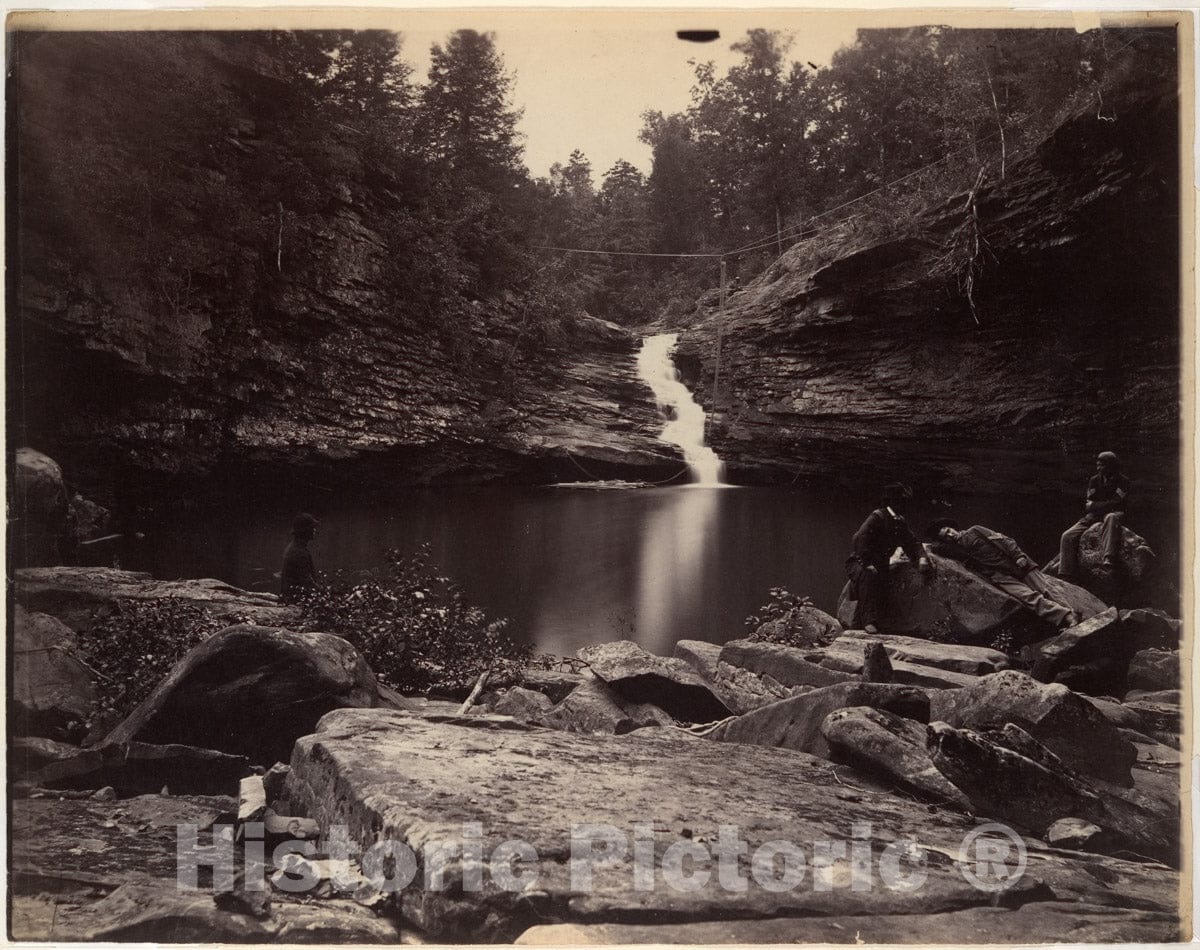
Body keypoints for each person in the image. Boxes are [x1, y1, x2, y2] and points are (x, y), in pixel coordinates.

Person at [929, 519, 1079, 628]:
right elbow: (935, 548)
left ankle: (1073, 615)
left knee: (1045, 590)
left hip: (1017, 564)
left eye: (949, 530)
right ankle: (1065, 617)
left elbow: (1005, 540)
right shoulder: (955, 549)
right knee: (1028, 597)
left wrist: (1018, 555)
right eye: (945, 536)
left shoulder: (975, 530)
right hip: (1000, 576)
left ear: (953, 527)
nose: (950, 535)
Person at [846, 483, 932, 634]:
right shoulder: (878, 516)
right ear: (894, 502)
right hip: (859, 562)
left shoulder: (899, 521)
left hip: (881, 564)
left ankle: (856, 626)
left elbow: (912, 543)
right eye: (902, 501)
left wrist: (921, 558)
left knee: (884, 586)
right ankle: (868, 621)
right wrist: (867, 563)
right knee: (869, 575)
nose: (905, 505)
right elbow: (858, 539)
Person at [1057, 451, 1130, 578]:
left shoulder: (1123, 481)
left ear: (1111, 466)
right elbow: (1088, 505)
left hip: (1114, 514)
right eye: (1098, 465)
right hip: (1094, 516)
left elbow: (1117, 502)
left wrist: (1096, 505)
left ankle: (1108, 558)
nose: (1098, 468)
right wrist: (1104, 505)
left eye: (1101, 465)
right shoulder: (1094, 480)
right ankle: (1065, 572)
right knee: (1067, 535)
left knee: (1111, 517)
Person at [280, 512, 319, 604]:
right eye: (312, 528)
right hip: (295, 601)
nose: (314, 530)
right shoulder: (299, 552)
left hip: (291, 597)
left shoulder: (296, 548)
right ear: (305, 530)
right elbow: (307, 583)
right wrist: (326, 594)